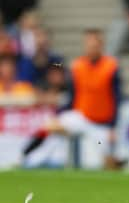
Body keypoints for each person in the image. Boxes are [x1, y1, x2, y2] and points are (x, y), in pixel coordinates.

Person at [22, 29, 122, 169]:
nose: (91, 48)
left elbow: (117, 98)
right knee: (50, 125)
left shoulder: (111, 67)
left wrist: (113, 127)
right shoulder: (78, 66)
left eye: (94, 45)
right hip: (81, 116)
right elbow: (73, 96)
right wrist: (59, 114)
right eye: (88, 44)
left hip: (102, 123)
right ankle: (26, 155)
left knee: (109, 163)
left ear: (101, 46)